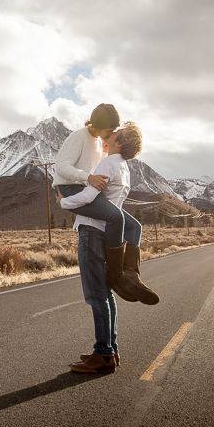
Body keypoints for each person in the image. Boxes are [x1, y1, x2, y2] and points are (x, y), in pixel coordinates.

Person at [60, 123, 149, 373]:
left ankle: (104, 355)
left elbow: (88, 197)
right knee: (105, 294)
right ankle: (109, 348)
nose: (106, 137)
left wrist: (64, 201)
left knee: (95, 295)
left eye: (112, 134)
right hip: (105, 233)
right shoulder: (124, 168)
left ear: (120, 142)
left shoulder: (108, 163)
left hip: (91, 231)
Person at [52, 104, 147, 302]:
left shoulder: (100, 143)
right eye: (110, 130)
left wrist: (107, 154)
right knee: (115, 216)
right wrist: (87, 178)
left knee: (134, 226)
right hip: (71, 188)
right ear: (97, 125)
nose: (111, 133)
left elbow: (104, 171)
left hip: (87, 188)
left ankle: (131, 275)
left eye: (115, 131)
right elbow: (61, 167)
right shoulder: (78, 137)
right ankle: (116, 275)